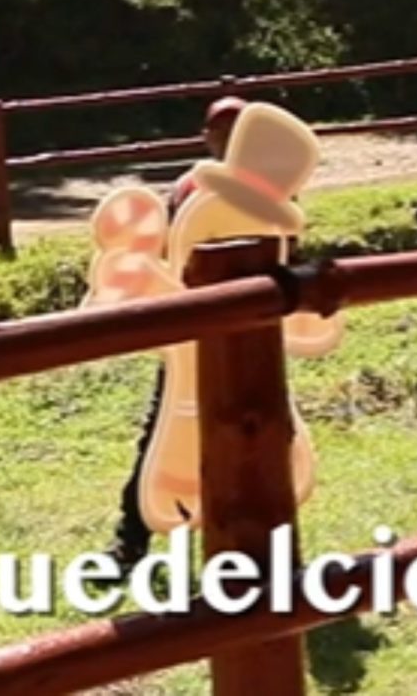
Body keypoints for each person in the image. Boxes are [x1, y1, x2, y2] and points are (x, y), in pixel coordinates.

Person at [113, 96, 245, 566]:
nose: (230, 143)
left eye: (238, 133)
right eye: (223, 134)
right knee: (163, 433)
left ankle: (264, 538)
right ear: (208, 138)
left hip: (251, 330)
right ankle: (130, 543)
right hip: (195, 329)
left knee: (267, 429)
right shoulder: (188, 188)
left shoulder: (270, 188)